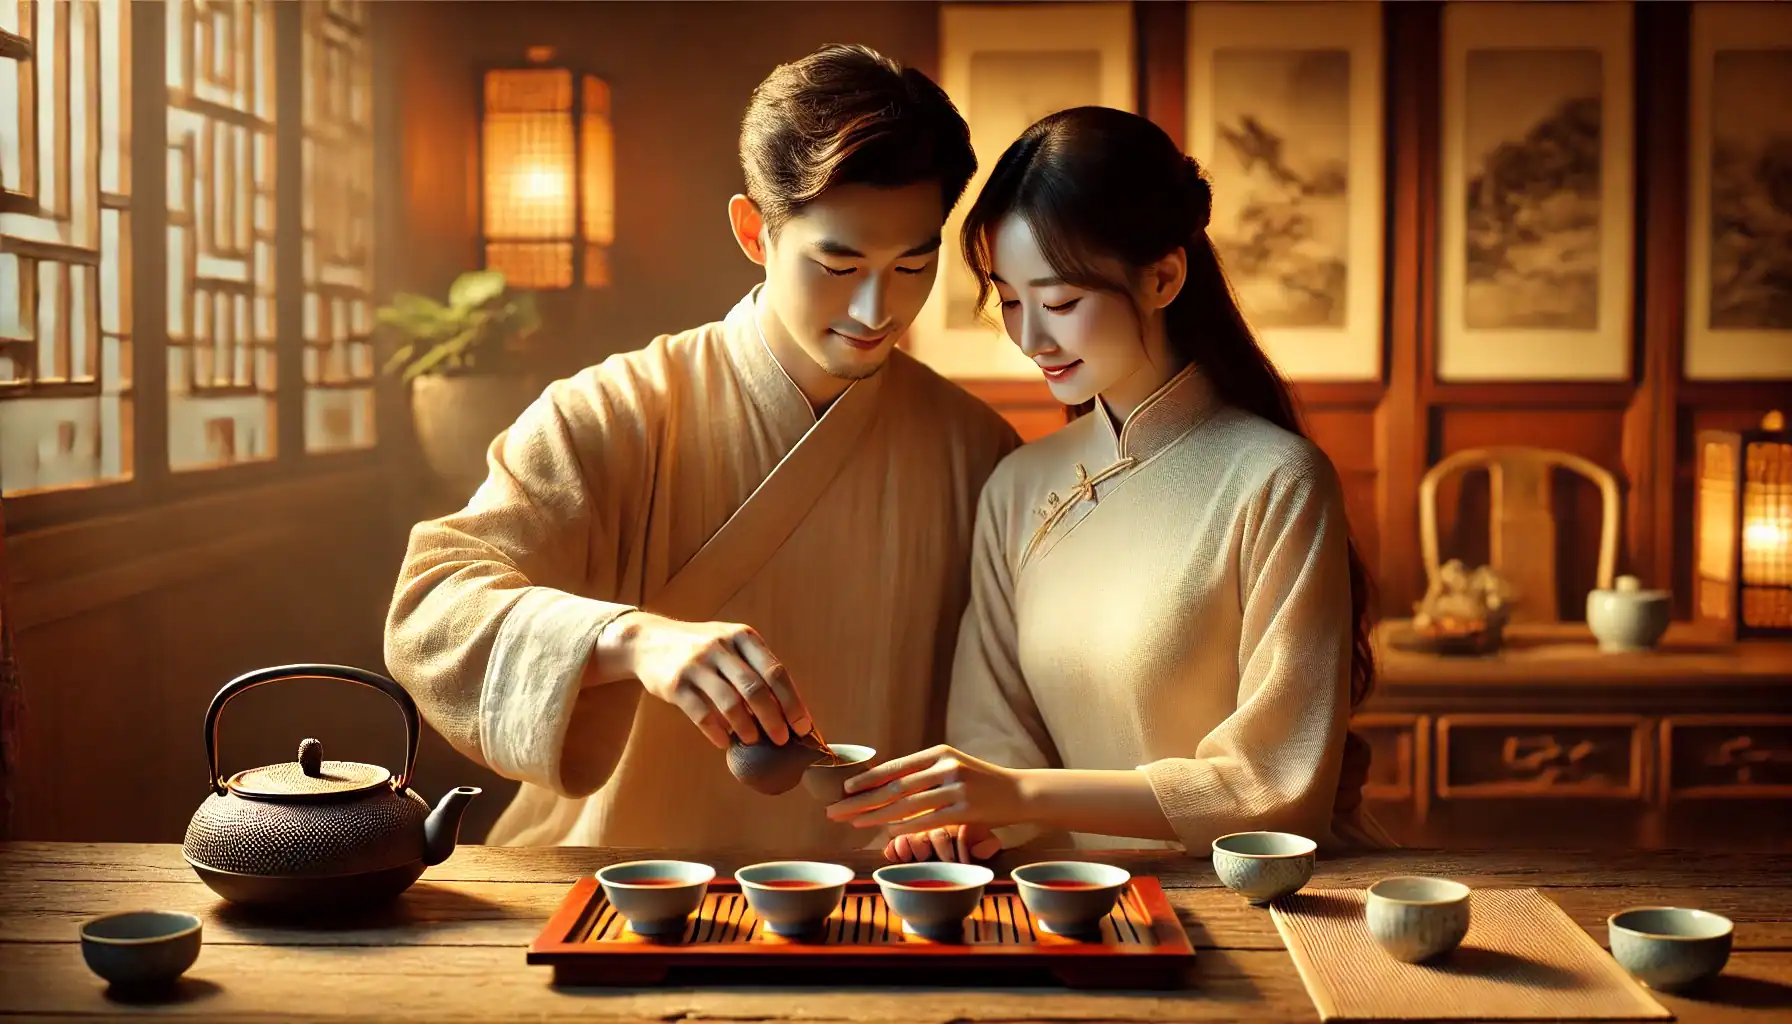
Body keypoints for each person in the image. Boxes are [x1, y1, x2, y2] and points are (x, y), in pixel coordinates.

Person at [383, 44, 1021, 849]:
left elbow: (1011, 716)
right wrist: (630, 639)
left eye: (912, 265)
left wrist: (968, 825)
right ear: (754, 231)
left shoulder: (976, 448)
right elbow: (431, 606)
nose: (876, 307)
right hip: (623, 879)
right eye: (839, 262)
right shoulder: (614, 411)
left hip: (877, 892)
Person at [823, 106, 1387, 863]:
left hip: (1260, 909)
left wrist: (1017, 796)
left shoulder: (1276, 481)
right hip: (1071, 905)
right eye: (1011, 302)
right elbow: (994, 740)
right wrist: (961, 824)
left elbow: (1276, 789)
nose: (1030, 339)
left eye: (1058, 303)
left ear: (1162, 277)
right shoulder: (1018, 486)